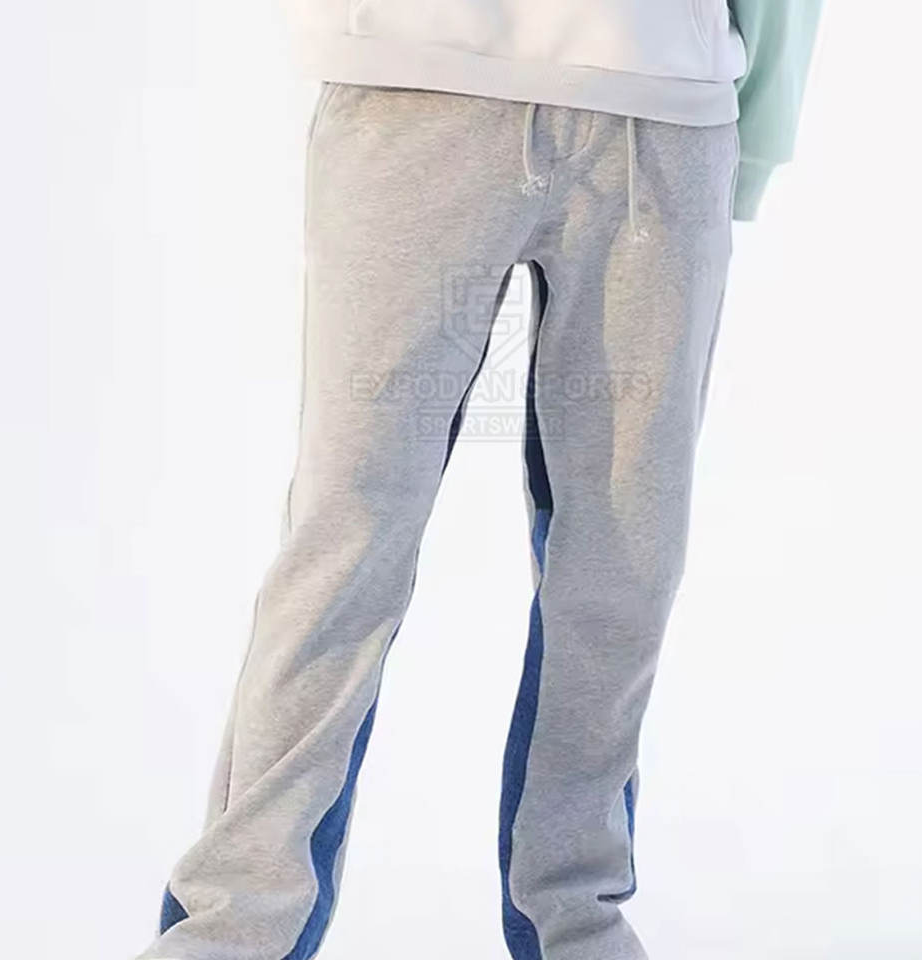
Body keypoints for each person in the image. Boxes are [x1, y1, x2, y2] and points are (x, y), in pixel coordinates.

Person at [138, 2, 823, 959]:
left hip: (662, 111)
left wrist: (755, 135)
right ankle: (235, 928)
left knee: (625, 556)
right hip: (410, 79)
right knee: (346, 537)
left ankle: (575, 923)